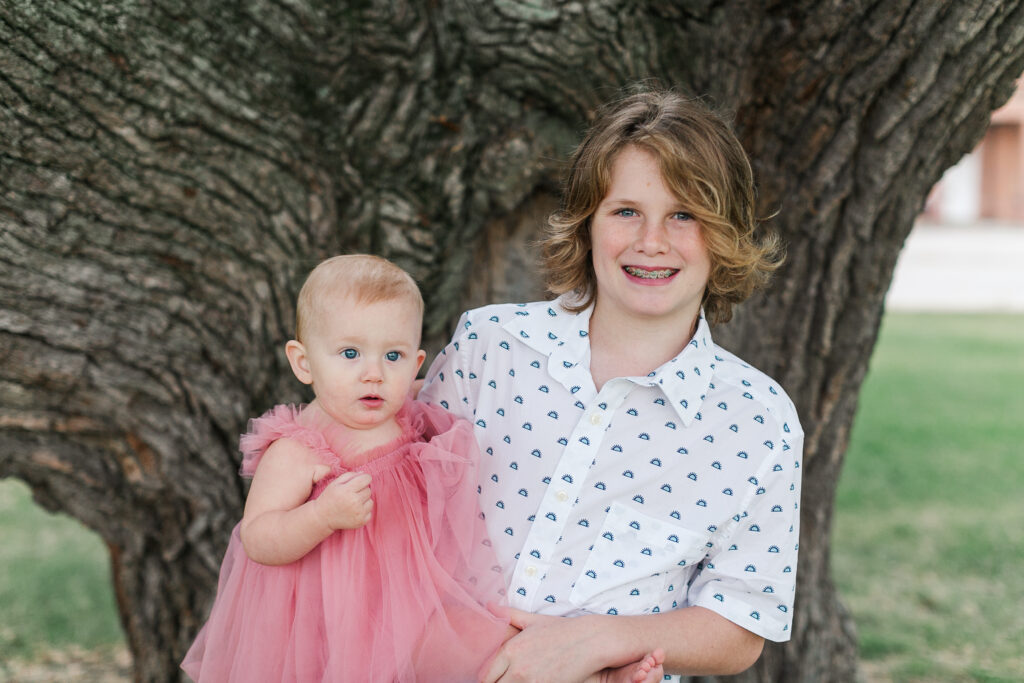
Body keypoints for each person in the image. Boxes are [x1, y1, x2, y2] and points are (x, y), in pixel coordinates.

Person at [419, 87, 804, 682]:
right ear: (588, 224)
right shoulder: (490, 347)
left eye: (685, 215)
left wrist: (600, 643)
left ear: (724, 233)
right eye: (626, 211)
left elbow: (743, 619)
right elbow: (399, 506)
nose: (652, 241)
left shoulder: (757, 420)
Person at [181, 254, 510, 682]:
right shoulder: (300, 450)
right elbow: (258, 537)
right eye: (350, 353)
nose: (373, 373)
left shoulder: (411, 421)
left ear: (415, 365)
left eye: (393, 355)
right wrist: (321, 515)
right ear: (304, 363)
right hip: (329, 623)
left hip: (409, 605)